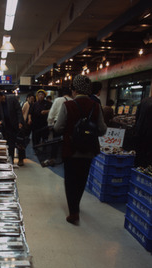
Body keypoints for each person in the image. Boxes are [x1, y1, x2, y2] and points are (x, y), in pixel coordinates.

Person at [53, 74, 107, 224]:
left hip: (70, 150)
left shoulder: (68, 105)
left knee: (70, 180)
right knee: (82, 179)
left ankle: (73, 212)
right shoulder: (96, 106)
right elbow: (102, 129)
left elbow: (58, 127)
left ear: (74, 90)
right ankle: (76, 205)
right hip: (89, 151)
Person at [0, 90, 24, 165]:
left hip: (17, 125)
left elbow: (19, 111)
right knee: (10, 144)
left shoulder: (12, 99)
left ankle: (21, 159)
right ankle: (11, 159)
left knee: (20, 143)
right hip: (7, 126)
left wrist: (20, 122)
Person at [134, 93, 152, 167]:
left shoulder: (144, 101)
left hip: (140, 131)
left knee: (139, 154)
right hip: (149, 134)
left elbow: (137, 116)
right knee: (147, 158)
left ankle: (137, 170)